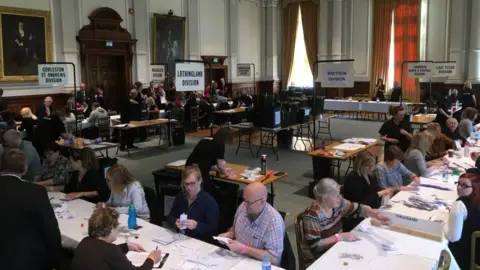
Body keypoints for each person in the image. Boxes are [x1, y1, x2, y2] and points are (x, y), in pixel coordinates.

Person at [301, 178, 391, 266]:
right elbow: (315, 245)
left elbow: (358, 208)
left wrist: (376, 215)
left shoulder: (337, 204)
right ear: (324, 198)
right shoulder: (312, 215)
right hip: (319, 259)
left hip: (336, 248)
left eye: (339, 194)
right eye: (336, 195)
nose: (340, 198)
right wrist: (339, 237)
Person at [1, 149, 62, 270]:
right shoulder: (35, 191)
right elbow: (50, 230)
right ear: (25, 169)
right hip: (28, 260)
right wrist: (55, 262)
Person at [218, 182, 285, 266]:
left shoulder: (273, 222)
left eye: (249, 202)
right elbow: (234, 228)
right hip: (237, 258)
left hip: (257, 264)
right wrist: (229, 234)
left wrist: (244, 249)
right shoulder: (243, 206)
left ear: (262, 201)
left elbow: (274, 258)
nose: (244, 206)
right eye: (244, 200)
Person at [72, 208, 162, 270]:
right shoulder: (110, 250)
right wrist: (152, 259)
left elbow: (103, 253)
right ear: (110, 229)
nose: (119, 228)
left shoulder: (85, 241)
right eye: (117, 225)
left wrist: (126, 246)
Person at [342, 151, 395, 231]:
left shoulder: (370, 175)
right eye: (368, 166)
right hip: (357, 218)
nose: (371, 168)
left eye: (372, 165)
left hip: (371, 213)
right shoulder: (353, 180)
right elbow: (362, 202)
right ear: (360, 165)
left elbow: (376, 189)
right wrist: (380, 193)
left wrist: (385, 191)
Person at [167, 166, 219, 241]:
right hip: (180, 238)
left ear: (200, 181)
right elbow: (169, 218)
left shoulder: (209, 202)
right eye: (186, 184)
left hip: (199, 241)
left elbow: (213, 230)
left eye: (192, 183)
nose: (188, 187)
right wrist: (175, 222)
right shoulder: (181, 197)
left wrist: (197, 226)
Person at [443, 173, 480, 270]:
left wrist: (442, 224)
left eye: (465, 185)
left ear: (475, 188)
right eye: (458, 183)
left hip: (464, 256)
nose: (459, 187)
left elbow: (453, 237)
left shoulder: (459, 204)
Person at [186, 127, 233, 195]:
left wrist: (221, 170)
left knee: (192, 190)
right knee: (207, 192)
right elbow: (220, 165)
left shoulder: (205, 140)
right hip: (200, 172)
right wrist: (226, 173)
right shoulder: (220, 144)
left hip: (189, 166)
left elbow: (206, 162)